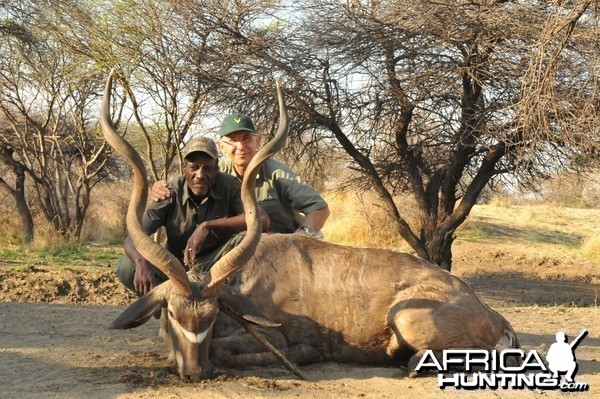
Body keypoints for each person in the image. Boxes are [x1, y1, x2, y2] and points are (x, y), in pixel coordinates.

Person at [116, 136, 270, 296]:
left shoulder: (229, 186)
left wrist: (208, 226)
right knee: (127, 267)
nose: (200, 174)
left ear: (216, 167)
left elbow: (262, 220)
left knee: (251, 239)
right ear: (184, 168)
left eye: (207, 168)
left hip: (217, 267)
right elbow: (132, 238)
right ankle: (169, 307)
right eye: (194, 167)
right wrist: (141, 262)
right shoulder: (170, 191)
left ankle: (229, 304)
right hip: (177, 267)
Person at [151, 114, 330, 237]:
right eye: (233, 140)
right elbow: (188, 181)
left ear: (258, 140)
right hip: (238, 250)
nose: (241, 146)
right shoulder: (215, 170)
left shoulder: (276, 172)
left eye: (246, 138)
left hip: (282, 248)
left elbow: (319, 209)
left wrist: (300, 237)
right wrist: (161, 187)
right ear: (221, 146)